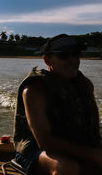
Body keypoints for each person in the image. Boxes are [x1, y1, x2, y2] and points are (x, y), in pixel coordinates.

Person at [13, 34, 102, 175]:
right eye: (64, 56)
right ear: (47, 60)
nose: (73, 61)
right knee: (67, 168)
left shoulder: (85, 85)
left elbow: (94, 131)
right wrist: (93, 155)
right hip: (35, 147)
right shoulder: (34, 90)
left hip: (74, 143)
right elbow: (45, 142)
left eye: (76, 55)